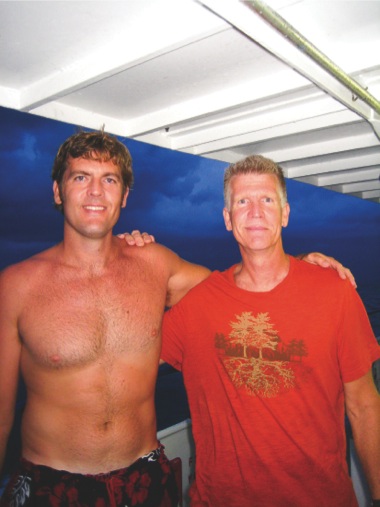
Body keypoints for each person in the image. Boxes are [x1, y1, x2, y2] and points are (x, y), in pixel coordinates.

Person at [0, 131, 355, 507]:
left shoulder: (155, 264)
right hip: (51, 484)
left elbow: (238, 287)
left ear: (124, 196)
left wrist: (301, 265)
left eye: (109, 180)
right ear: (58, 192)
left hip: (145, 478)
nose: (95, 192)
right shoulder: (16, 287)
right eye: (80, 177)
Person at [159, 155, 380, 506]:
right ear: (228, 219)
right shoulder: (198, 306)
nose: (256, 212)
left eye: (267, 200)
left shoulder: (334, 291)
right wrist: (124, 252)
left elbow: (365, 407)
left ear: (286, 213)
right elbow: (128, 353)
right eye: (242, 202)